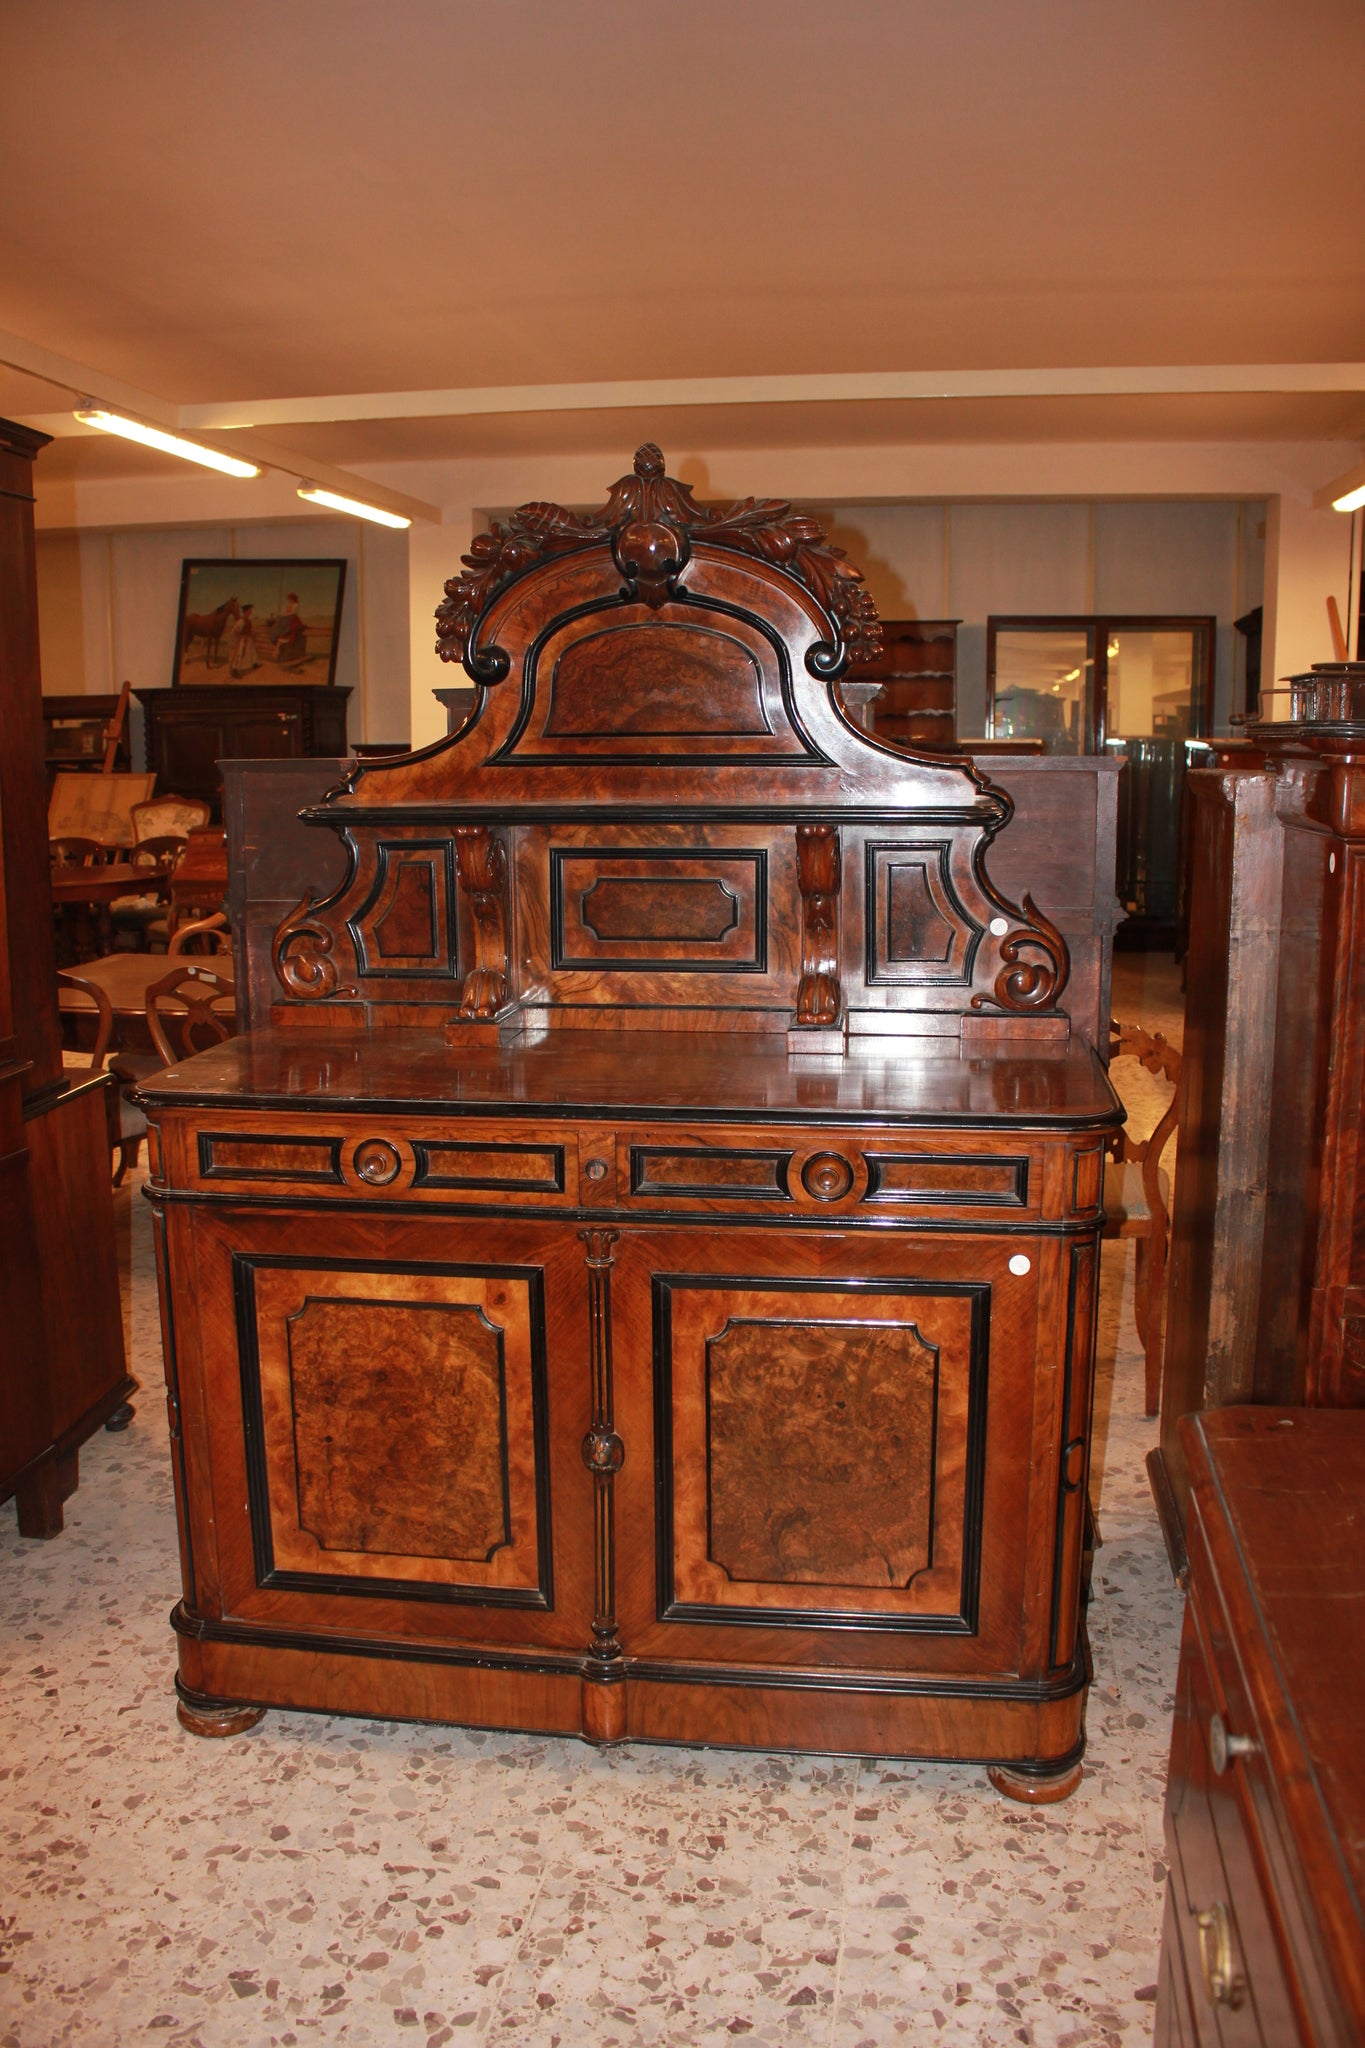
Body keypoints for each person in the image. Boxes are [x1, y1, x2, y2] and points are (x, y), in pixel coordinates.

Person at [228, 602, 259, 677]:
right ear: (246, 611)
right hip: (243, 640)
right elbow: (235, 630)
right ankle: (234, 670)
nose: (251, 611)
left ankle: (254, 664)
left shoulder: (248, 620)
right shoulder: (241, 621)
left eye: (251, 610)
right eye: (249, 610)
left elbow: (248, 630)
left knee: (252, 651)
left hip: (248, 639)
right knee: (240, 654)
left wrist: (253, 633)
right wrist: (240, 637)